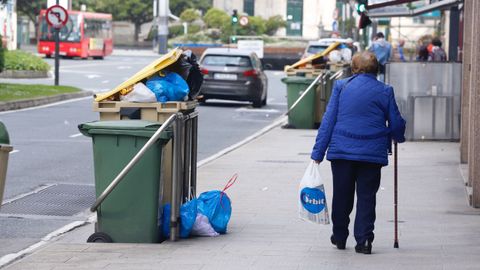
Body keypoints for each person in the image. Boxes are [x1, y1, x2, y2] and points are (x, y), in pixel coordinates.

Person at [310, 51, 406, 254]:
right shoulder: (385, 90)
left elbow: (328, 121)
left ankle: (339, 236)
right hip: (371, 154)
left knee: (342, 195)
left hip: (342, 153)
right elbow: (396, 123)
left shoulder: (341, 87)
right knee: (366, 197)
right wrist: (398, 134)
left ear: (353, 68)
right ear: (376, 69)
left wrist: (318, 153)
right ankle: (363, 240)